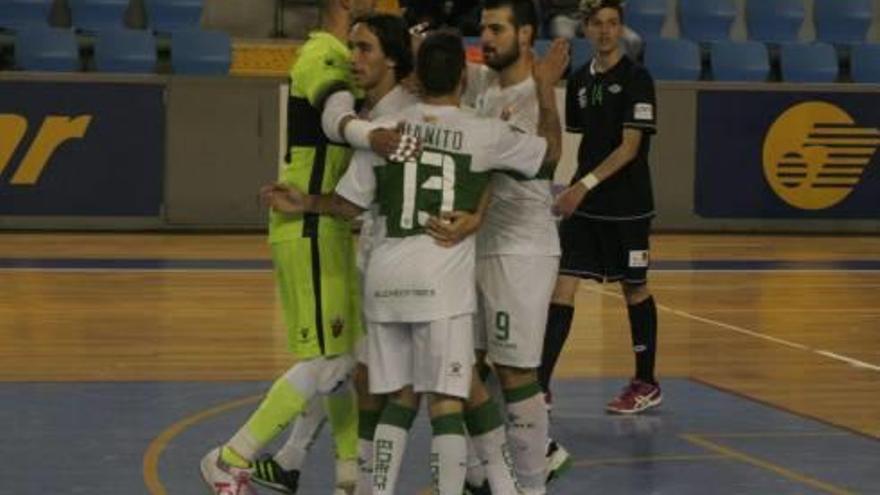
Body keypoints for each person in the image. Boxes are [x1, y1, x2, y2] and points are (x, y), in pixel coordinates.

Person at [264, 30, 567, 495]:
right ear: (464, 78)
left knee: (394, 396)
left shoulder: (388, 131)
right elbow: (548, 154)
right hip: (438, 277)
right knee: (447, 397)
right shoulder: (481, 131)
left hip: (384, 279)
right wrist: (546, 87)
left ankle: (372, 489)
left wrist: (304, 201)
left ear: (417, 77)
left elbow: (347, 205)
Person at [198, 2, 420, 494]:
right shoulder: (322, 51)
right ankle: (230, 458)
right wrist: (375, 135)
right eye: (358, 46)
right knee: (331, 361)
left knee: (341, 355)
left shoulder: (347, 61)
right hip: (309, 225)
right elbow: (334, 118)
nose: (359, 56)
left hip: (327, 225)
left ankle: (342, 474)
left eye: (368, 50)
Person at [446, 0, 569, 492]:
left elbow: (542, 160)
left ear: (526, 34)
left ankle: (535, 479)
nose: (486, 38)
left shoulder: (531, 95)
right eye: (482, 29)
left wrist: (545, 89)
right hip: (476, 246)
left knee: (516, 369)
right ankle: (480, 474)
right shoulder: (481, 84)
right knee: (465, 365)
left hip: (519, 250)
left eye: (496, 29)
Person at [540, 0, 662, 416]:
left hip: (628, 206)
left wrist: (582, 187)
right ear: (586, 30)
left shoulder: (637, 79)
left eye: (613, 24)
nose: (606, 31)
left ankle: (646, 382)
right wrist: (567, 187)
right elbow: (579, 145)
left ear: (621, 29)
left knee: (634, 288)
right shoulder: (577, 81)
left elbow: (629, 149)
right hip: (586, 204)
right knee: (563, 285)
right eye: (597, 24)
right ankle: (539, 387)